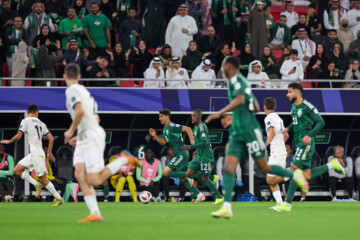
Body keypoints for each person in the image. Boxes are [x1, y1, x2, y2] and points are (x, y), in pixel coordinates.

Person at [205, 57, 309, 218]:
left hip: (249, 130)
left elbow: (241, 100)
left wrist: (221, 113)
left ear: (233, 68)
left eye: (226, 67)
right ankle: (226, 206)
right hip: (239, 130)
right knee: (229, 166)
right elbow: (254, 107)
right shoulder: (240, 83)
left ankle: (294, 177)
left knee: (265, 170)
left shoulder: (237, 81)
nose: (224, 69)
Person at [62, 63, 141, 222]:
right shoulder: (85, 92)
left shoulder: (72, 90)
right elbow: (96, 118)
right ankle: (95, 213)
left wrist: (71, 131)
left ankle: (125, 159)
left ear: (64, 76)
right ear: (79, 76)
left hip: (91, 136)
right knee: (79, 174)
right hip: (86, 135)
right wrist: (80, 135)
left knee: (95, 180)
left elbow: (80, 111)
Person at [273, 83, 346, 212]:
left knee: (294, 169)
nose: (287, 94)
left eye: (289, 92)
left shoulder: (308, 107)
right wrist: (288, 128)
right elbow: (295, 120)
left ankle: (287, 203)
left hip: (305, 144)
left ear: (298, 93)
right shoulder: (294, 107)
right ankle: (331, 164)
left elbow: (321, 122)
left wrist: (309, 135)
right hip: (300, 143)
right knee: (305, 174)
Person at [0, 104, 64, 206]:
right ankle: (36, 184)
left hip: (37, 154)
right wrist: (49, 152)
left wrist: (8, 142)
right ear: (36, 112)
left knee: (43, 179)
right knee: (16, 170)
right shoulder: (42, 123)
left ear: (27, 112)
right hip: (34, 154)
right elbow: (51, 139)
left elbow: (18, 136)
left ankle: (59, 198)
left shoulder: (26, 120)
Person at [149, 109, 204, 203]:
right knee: (182, 178)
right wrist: (155, 136)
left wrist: (192, 142)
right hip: (179, 155)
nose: (159, 118)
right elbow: (163, 143)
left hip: (181, 153)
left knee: (165, 172)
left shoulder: (172, 126)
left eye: (161, 116)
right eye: (159, 116)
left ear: (167, 117)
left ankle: (193, 176)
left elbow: (188, 129)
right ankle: (199, 195)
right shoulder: (165, 129)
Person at [183, 109, 224, 204]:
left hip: (206, 156)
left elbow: (204, 143)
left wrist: (191, 147)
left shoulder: (202, 127)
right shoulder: (196, 127)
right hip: (199, 156)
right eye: (191, 116)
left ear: (199, 117)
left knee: (204, 179)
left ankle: (219, 197)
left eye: (194, 116)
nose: (192, 117)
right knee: (188, 173)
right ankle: (212, 179)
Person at [263, 97, 288, 208]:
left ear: (264, 107)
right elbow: (286, 135)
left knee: (270, 179)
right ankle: (280, 203)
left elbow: (272, 132)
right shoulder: (279, 118)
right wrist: (280, 145)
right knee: (272, 180)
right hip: (280, 151)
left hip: (277, 153)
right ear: (275, 107)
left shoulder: (268, 118)